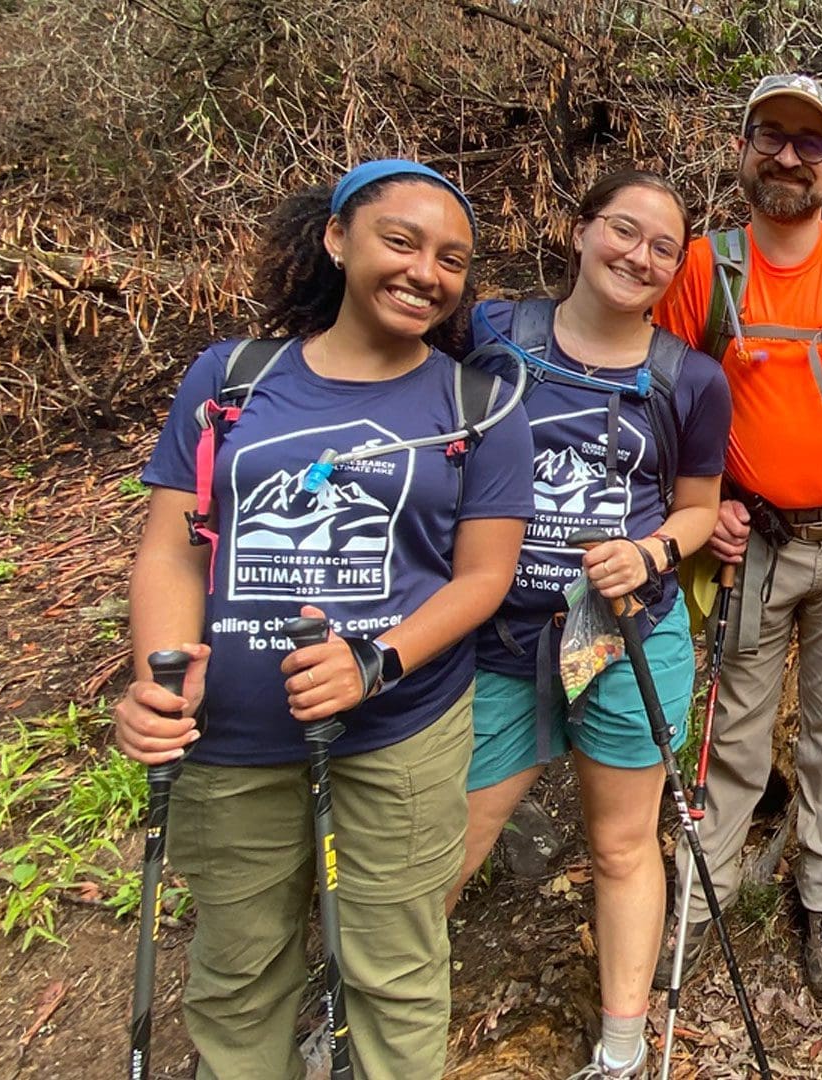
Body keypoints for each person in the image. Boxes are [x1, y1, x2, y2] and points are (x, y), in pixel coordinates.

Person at [113, 159, 535, 1078]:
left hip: (400, 734)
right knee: (237, 974)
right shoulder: (230, 380)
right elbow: (174, 549)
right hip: (228, 733)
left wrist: (375, 662)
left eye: (453, 259)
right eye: (402, 241)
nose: (427, 271)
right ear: (337, 239)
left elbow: (481, 577)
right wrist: (157, 676)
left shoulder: (478, 404)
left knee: (395, 970)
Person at [445, 169, 731, 1079]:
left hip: (628, 636)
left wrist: (651, 553)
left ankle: (620, 1048)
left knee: (621, 843)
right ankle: (369, 1009)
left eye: (661, 248)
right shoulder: (492, 333)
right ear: (579, 230)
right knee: (453, 836)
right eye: (622, 229)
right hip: (493, 634)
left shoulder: (690, 378)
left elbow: (697, 508)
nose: (636, 256)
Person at [650, 73, 822, 995]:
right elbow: (663, 392)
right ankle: (700, 902)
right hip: (749, 543)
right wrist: (705, 500)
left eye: (810, 144)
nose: (787, 157)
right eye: (770, 135)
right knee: (731, 730)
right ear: (742, 149)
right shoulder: (701, 266)